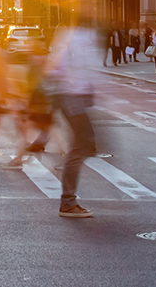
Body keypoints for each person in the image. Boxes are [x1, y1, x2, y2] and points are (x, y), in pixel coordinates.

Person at [45, 14, 101, 218]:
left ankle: (68, 200)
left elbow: (54, 68)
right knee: (80, 147)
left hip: (71, 98)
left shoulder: (69, 37)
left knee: (84, 146)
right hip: (72, 99)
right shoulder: (78, 38)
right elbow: (57, 69)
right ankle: (67, 202)